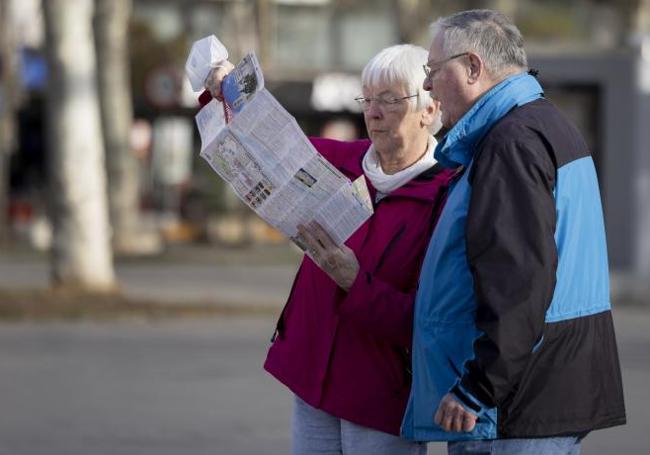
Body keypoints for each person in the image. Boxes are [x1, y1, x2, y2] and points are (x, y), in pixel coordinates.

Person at [202, 44, 456, 454]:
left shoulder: (447, 195)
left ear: (429, 109)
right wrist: (229, 87)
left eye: (389, 100)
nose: (372, 113)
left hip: (380, 397)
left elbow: (431, 321)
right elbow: (271, 139)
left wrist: (354, 281)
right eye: (367, 99)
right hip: (312, 380)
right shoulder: (343, 161)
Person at [401, 9, 627, 454]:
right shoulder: (542, 123)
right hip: (541, 389)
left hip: (514, 404)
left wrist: (478, 387)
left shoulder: (510, 142)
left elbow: (520, 280)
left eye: (433, 70)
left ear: (471, 67)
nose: (427, 86)